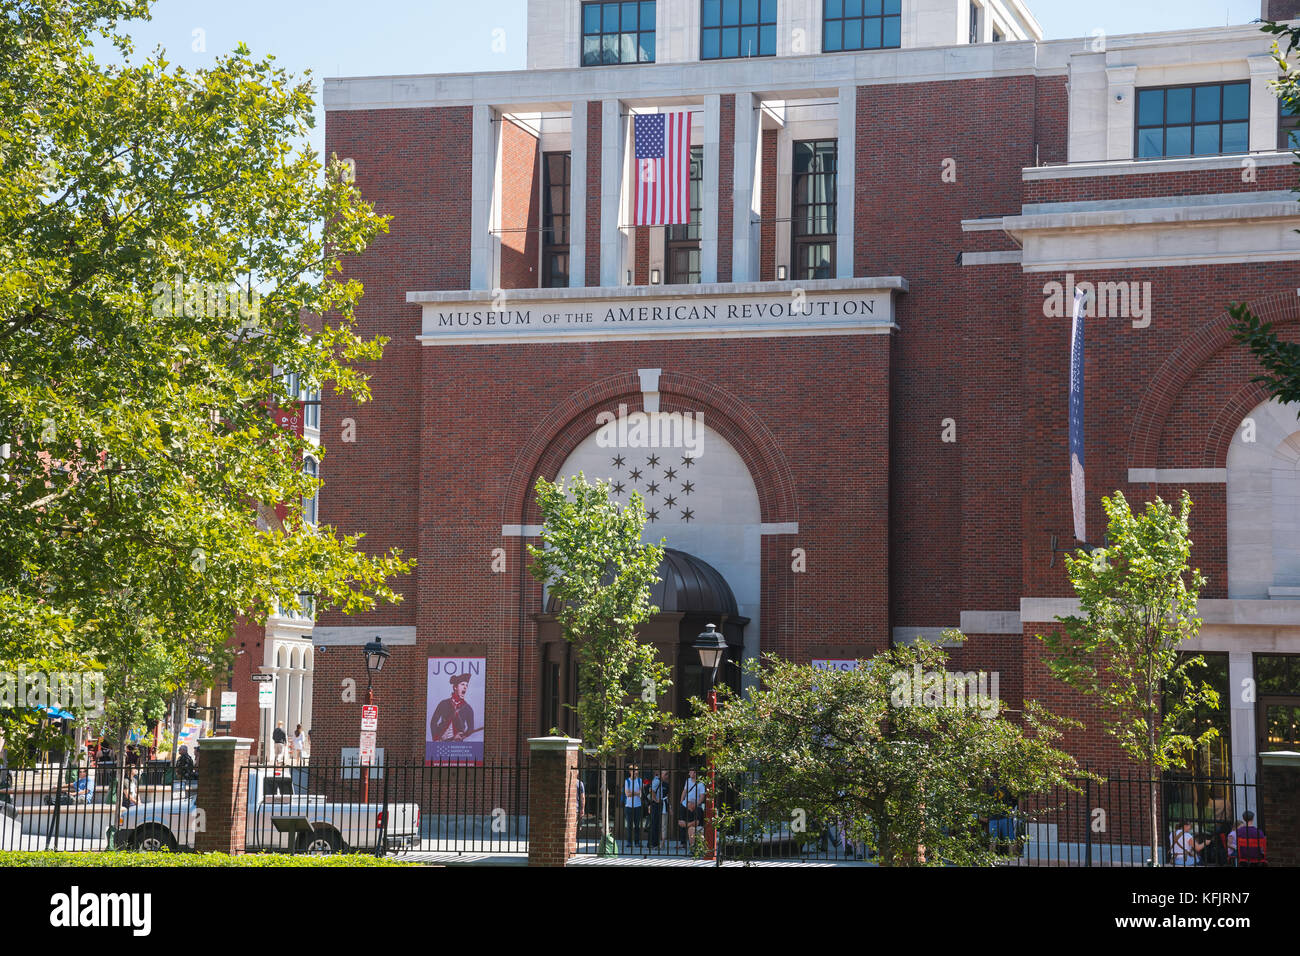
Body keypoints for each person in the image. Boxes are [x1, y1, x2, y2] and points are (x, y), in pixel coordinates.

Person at [429, 674, 476, 743]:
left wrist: (462, 735)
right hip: (440, 741)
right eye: (462, 684)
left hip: (456, 743)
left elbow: (470, 729)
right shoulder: (443, 703)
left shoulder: (468, 708)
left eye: (466, 685)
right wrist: (435, 739)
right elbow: (433, 722)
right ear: (455, 687)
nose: (465, 687)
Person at [622, 763, 643, 852]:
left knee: (637, 825)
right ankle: (629, 842)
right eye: (634, 771)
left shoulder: (639, 781)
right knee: (629, 825)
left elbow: (641, 794)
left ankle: (637, 842)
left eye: (637, 771)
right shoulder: (627, 781)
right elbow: (627, 794)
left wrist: (633, 793)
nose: (636, 773)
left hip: (638, 805)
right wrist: (636, 793)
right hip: (629, 806)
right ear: (630, 772)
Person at [647, 769, 666, 849]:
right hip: (656, 804)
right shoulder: (657, 781)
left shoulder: (658, 781)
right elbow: (651, 790)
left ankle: (653, 843)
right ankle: (653, 844)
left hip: (657, 804)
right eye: (665, 774)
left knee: (655, 823)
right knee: (654, 824)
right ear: (660, 774)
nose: (667, 776)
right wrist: (656, 800)